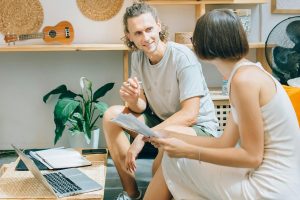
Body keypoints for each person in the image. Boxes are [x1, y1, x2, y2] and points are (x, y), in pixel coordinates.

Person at [144, 9, 300, 200]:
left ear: (204, 44)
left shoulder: (244, 82)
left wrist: (189, 151)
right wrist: (168, 135)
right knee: (172, 157)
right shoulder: (246, 73)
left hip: (270, 188)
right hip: (277, 180)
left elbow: (252, 157)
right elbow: (224, 142)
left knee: (172, 161)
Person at [102, 2, 219, 200]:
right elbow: (142, 106)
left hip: (198, 129)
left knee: (161, 160)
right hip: (160, 122)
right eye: (138, 33)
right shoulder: (138, 57)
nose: (145, 38)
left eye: (149, 29)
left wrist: (141, 137)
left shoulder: (183, 57)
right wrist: (132, 99)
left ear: (158, 25)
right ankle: (131, 194)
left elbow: (190, 115)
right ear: (129, 36)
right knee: (111, 116)